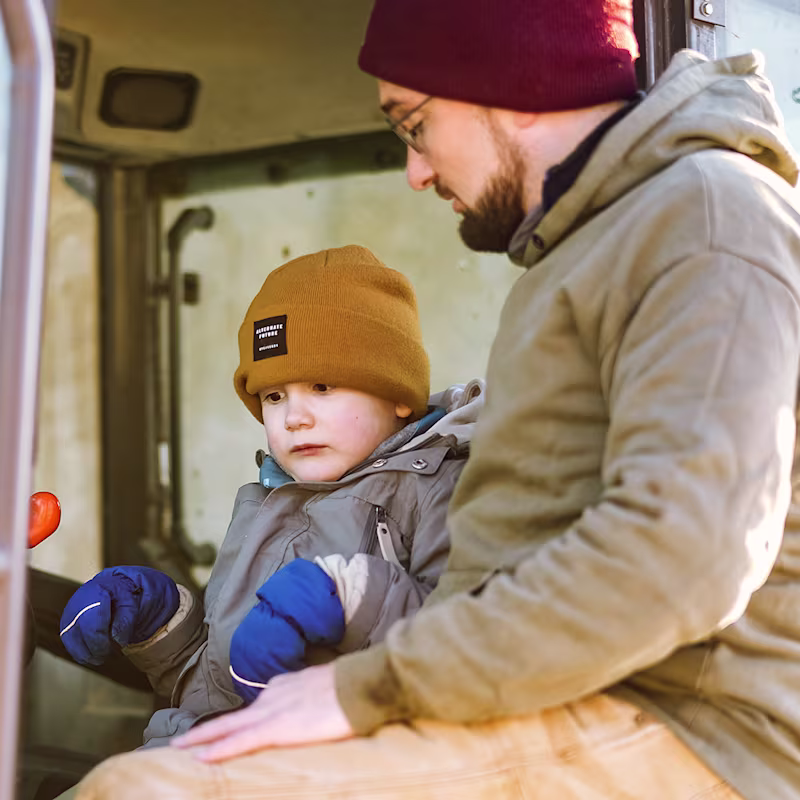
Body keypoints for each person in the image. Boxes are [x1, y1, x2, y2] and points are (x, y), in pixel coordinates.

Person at [72, 0, 800, 798]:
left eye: (415, 125)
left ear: (513, 86)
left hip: (686, 727)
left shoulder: (704, 214)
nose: (415, 171)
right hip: (531, 691)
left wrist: (365, 687)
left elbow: (685, 555)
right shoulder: (582, 252)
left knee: (147, 793)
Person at [58, 244, 481, 746]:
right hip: (194, 753)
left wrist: (349, 599)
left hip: (334, 764)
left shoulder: (443, 487)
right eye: (274, 396)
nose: (293, 416)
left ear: (398, 395)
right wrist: (160, 623)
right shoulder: (266, 499)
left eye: (322, 387)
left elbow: (469, 644)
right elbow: (213, 690)